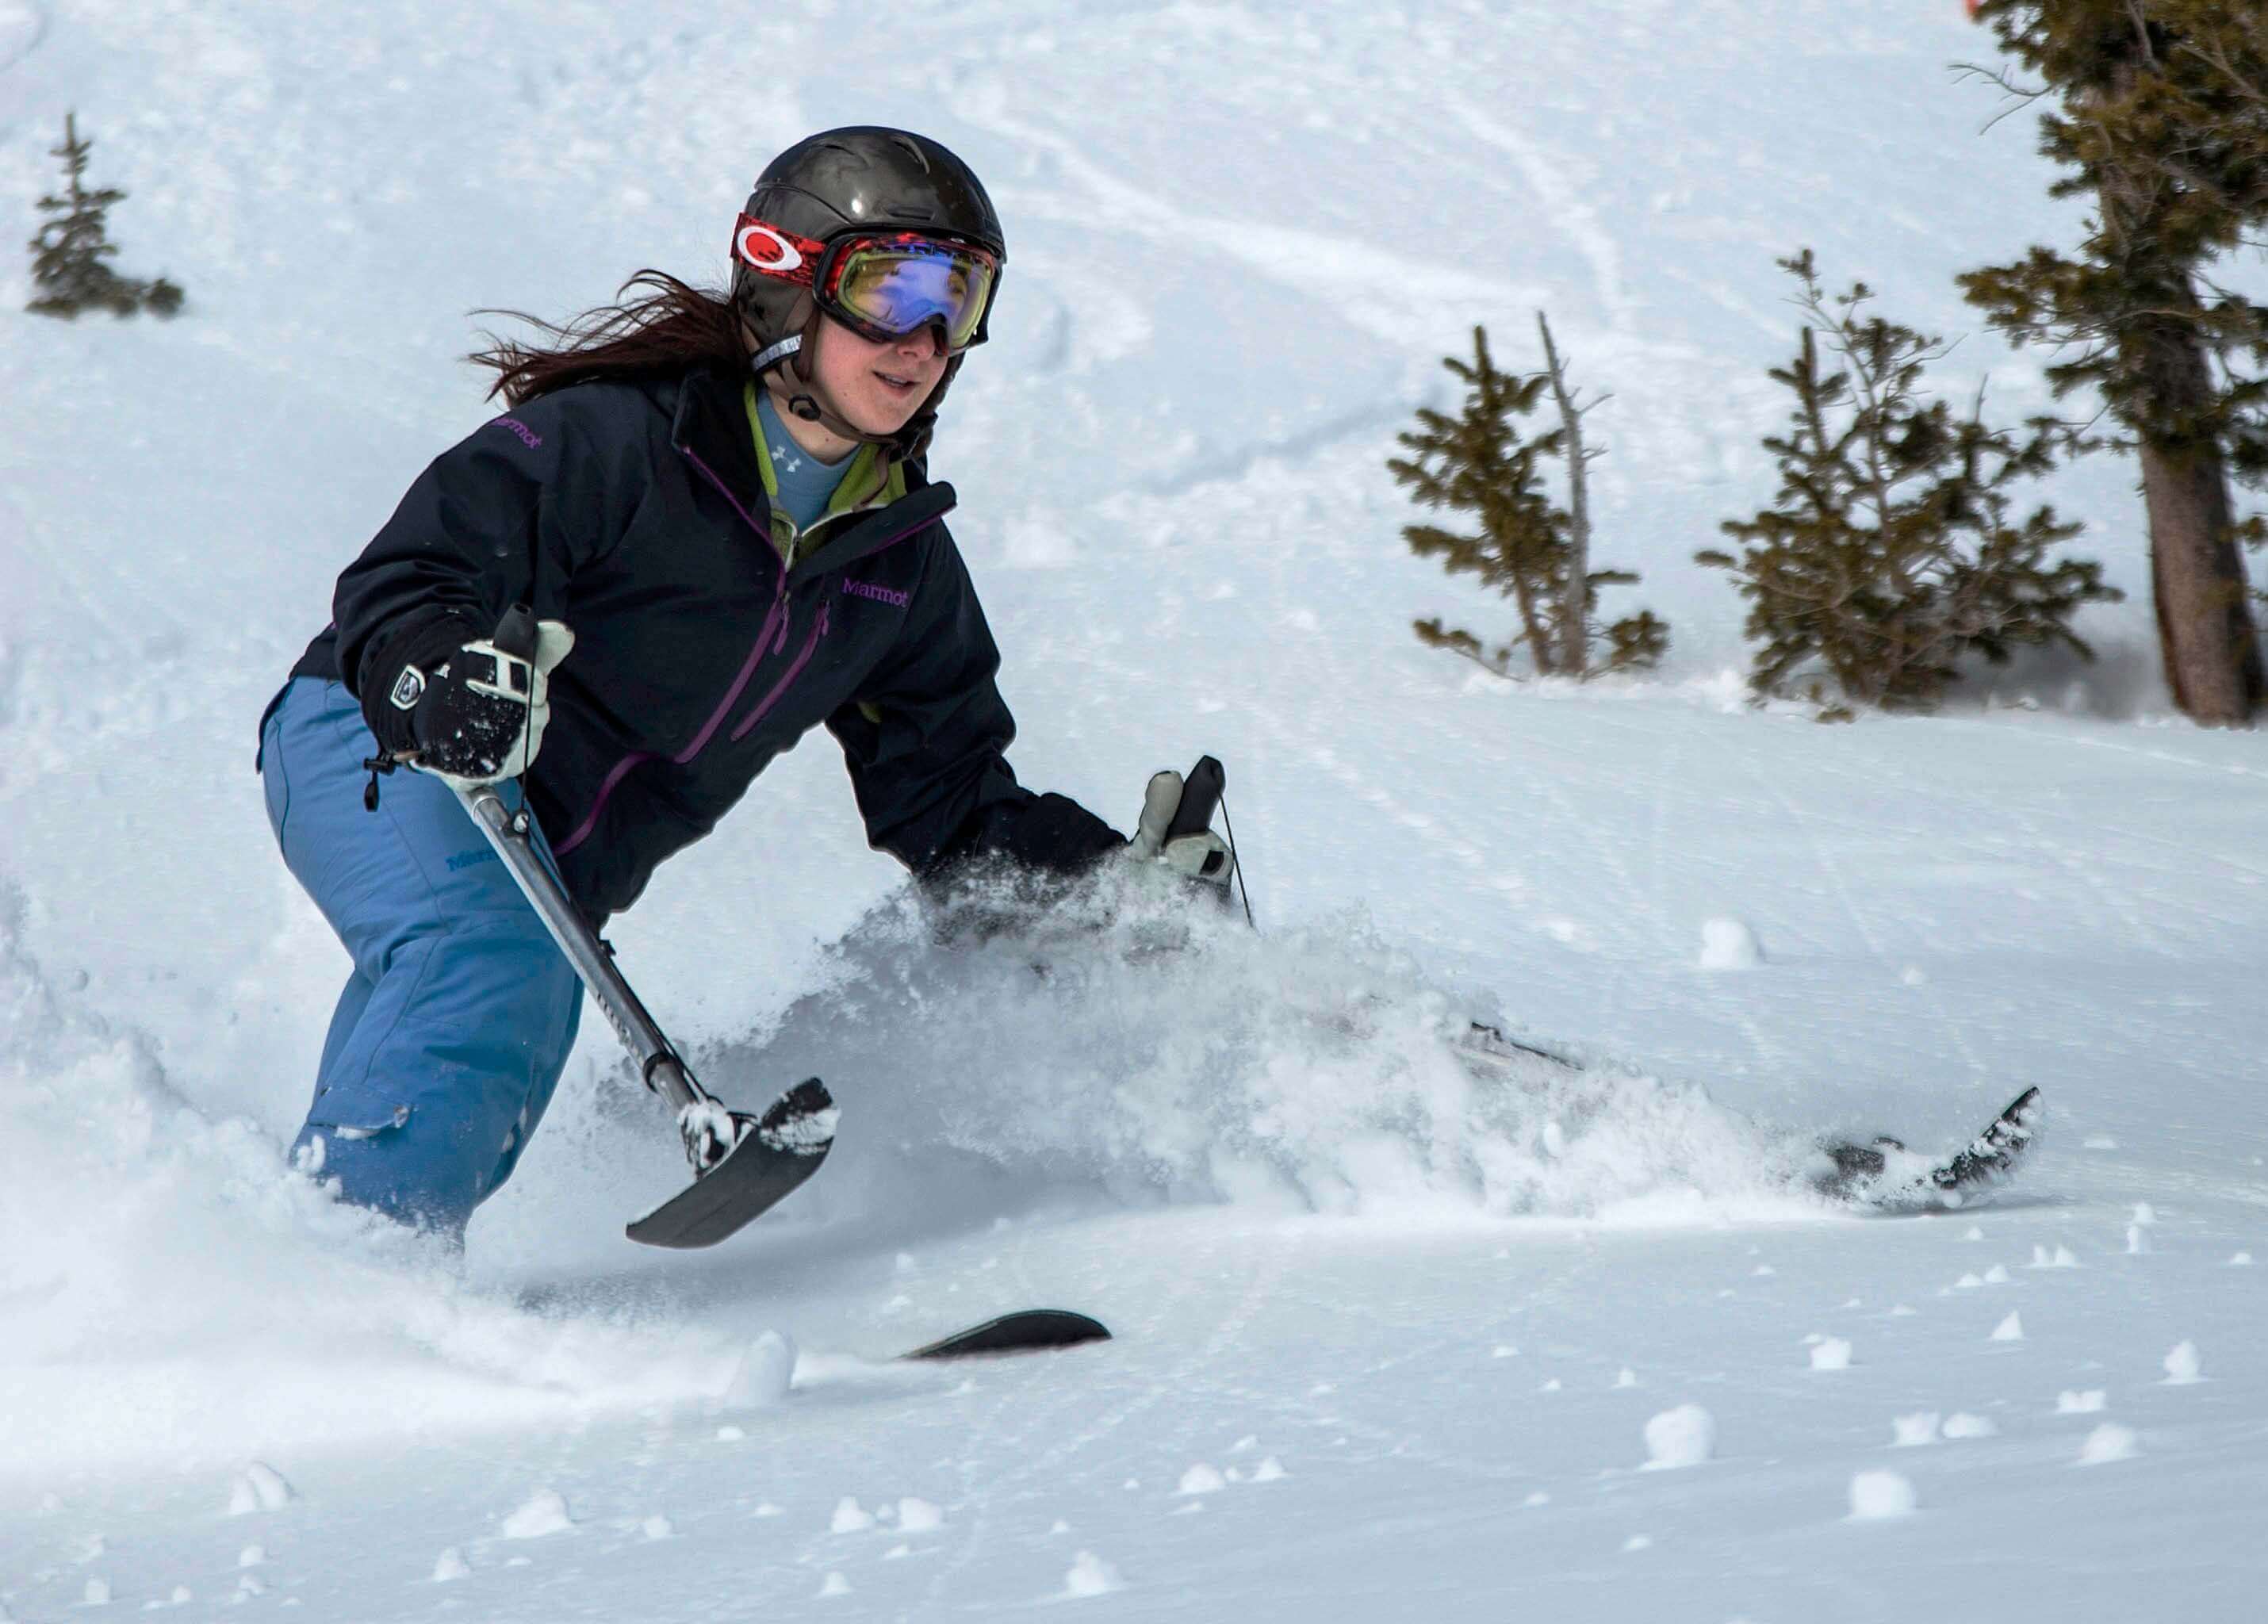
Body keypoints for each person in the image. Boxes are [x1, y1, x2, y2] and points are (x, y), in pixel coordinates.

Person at [255, 127, 1229, 1235]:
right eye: (890, 286)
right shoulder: (623, 443)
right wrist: (437, 674)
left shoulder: (895, 569)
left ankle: (292, 1284)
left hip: (544, 855)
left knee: (473, 988)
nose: (922, 338)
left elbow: (953, 805)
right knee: (493, 962)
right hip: (383, 736)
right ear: (785, 280)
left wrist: (1107, 891)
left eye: (957, 300)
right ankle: (359, 1281)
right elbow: (415, 570)